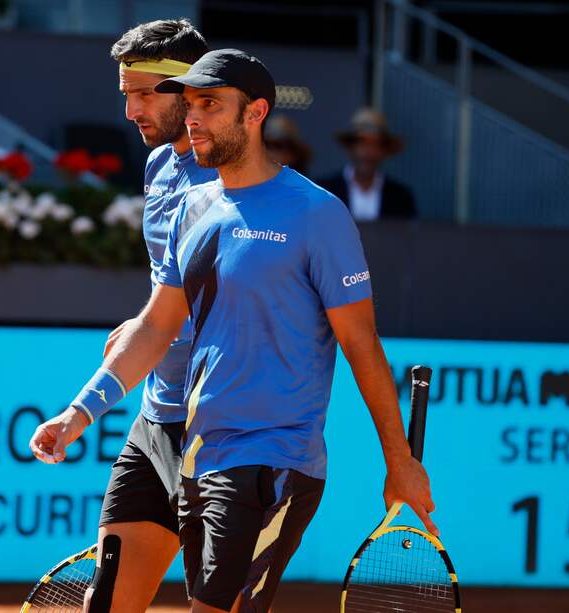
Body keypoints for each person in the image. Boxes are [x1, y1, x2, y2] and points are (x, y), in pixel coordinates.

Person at [30, 49, 437, 613]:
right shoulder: (193, 207)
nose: (193, 117)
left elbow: (361, 344)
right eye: (190, 103)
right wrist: (78, 412)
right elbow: (154, 327)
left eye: (211, 105)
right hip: (198, 453)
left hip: (272, 461)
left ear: (255, 113)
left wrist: (399, 461)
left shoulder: (318, 214)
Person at [29, 19, 213, 613]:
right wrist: (145, 328)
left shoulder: (238, 180)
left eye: (142, 92)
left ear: (187, 89)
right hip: (157, 419)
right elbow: (170, 294)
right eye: (125, 93)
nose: (130, 109)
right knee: (106, 605)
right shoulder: (161, 166)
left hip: (228, 435)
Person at [316, 107, 416, 221]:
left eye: (375, 145)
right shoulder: (325, 192)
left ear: (384, 151)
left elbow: (408, 236)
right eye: (362, 144)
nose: (369, 152)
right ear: (351, 148)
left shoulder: (400, 197)